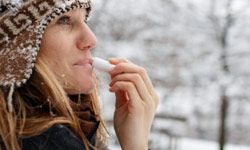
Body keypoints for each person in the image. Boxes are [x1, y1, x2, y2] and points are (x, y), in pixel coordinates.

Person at [0, 0, 160, 150]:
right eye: (64, 20)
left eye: (85, 19)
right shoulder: (49, 142)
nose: (91, 39)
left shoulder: (74, 129)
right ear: (17, 47)